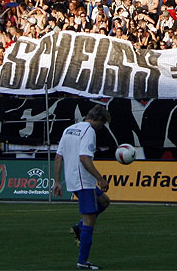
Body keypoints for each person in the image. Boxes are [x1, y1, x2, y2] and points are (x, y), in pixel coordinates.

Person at [53, 105, 111, 270]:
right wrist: (100, 179)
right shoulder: (89, 131)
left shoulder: (69, 129)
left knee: (104, 201)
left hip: (73, 179)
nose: (101, 127)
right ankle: (82, 262)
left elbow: (58, 157)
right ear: (99, 120)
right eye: (103, 123)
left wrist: (57, 181)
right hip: (83, 181)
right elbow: (85, 158)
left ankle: (78, 228)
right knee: (89, 221)